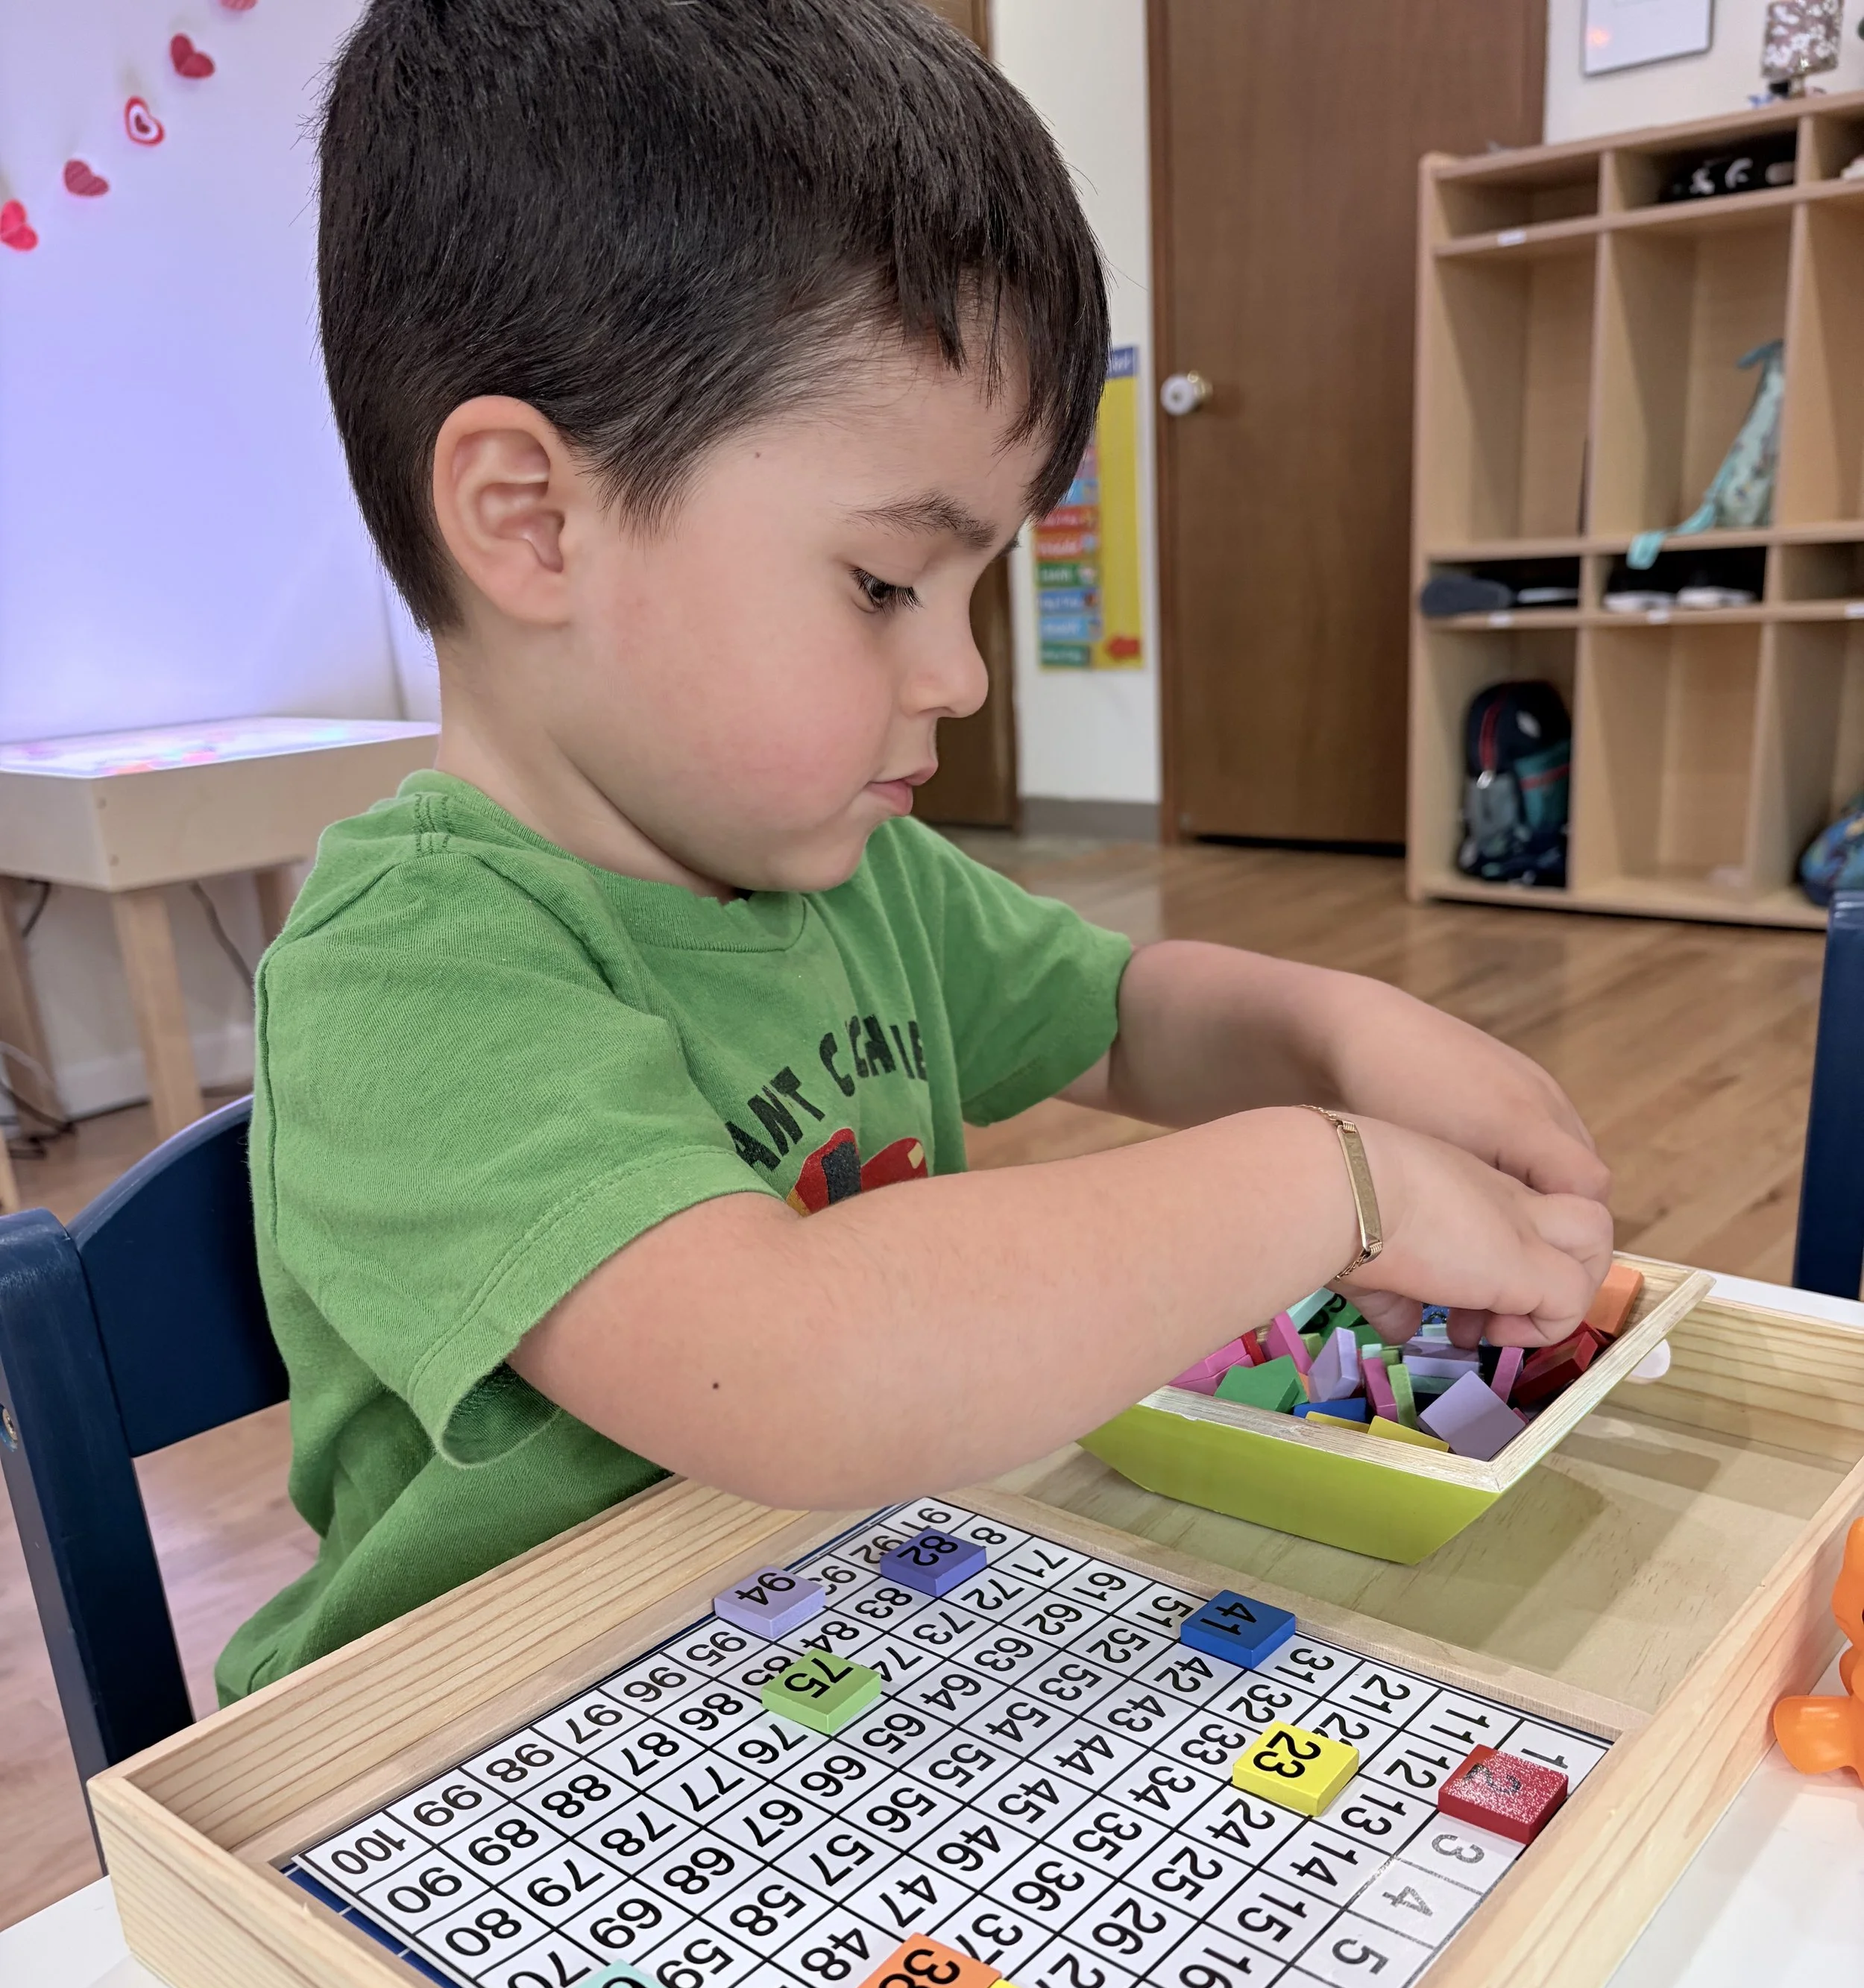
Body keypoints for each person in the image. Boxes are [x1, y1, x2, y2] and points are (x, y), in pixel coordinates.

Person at [217, 0, 1612, 1702]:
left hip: (829, 1655)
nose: (955, 673)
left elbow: (1123, 1016)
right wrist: (1331, 1177)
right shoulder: (408, 971)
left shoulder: (843, 873)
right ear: (530, 516)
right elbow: (787, 1361)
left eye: (974, 593)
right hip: (470, 1755)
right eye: (885, 582)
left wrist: (1345, 1040)